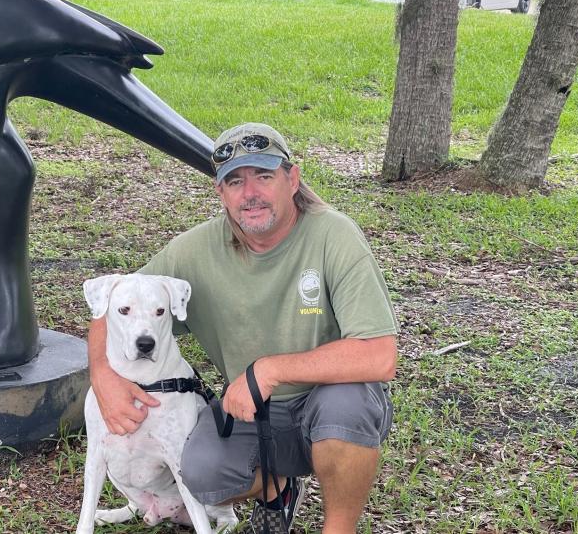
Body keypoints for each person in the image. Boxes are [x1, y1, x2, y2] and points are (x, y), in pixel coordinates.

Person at [87, 123, 398, 534]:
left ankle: (339, 528)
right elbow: (111, 310)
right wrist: (103, 376)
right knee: (201, 472)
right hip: (252, 412)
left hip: (325, 398)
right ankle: (276, 488)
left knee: (348, 408)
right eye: (235, 181)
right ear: (220, 192)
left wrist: (268, 370)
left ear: (293, 178)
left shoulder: (333, 236)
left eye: (264, 176)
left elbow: (379, 354)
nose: (250, 193)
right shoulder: (193, 252)